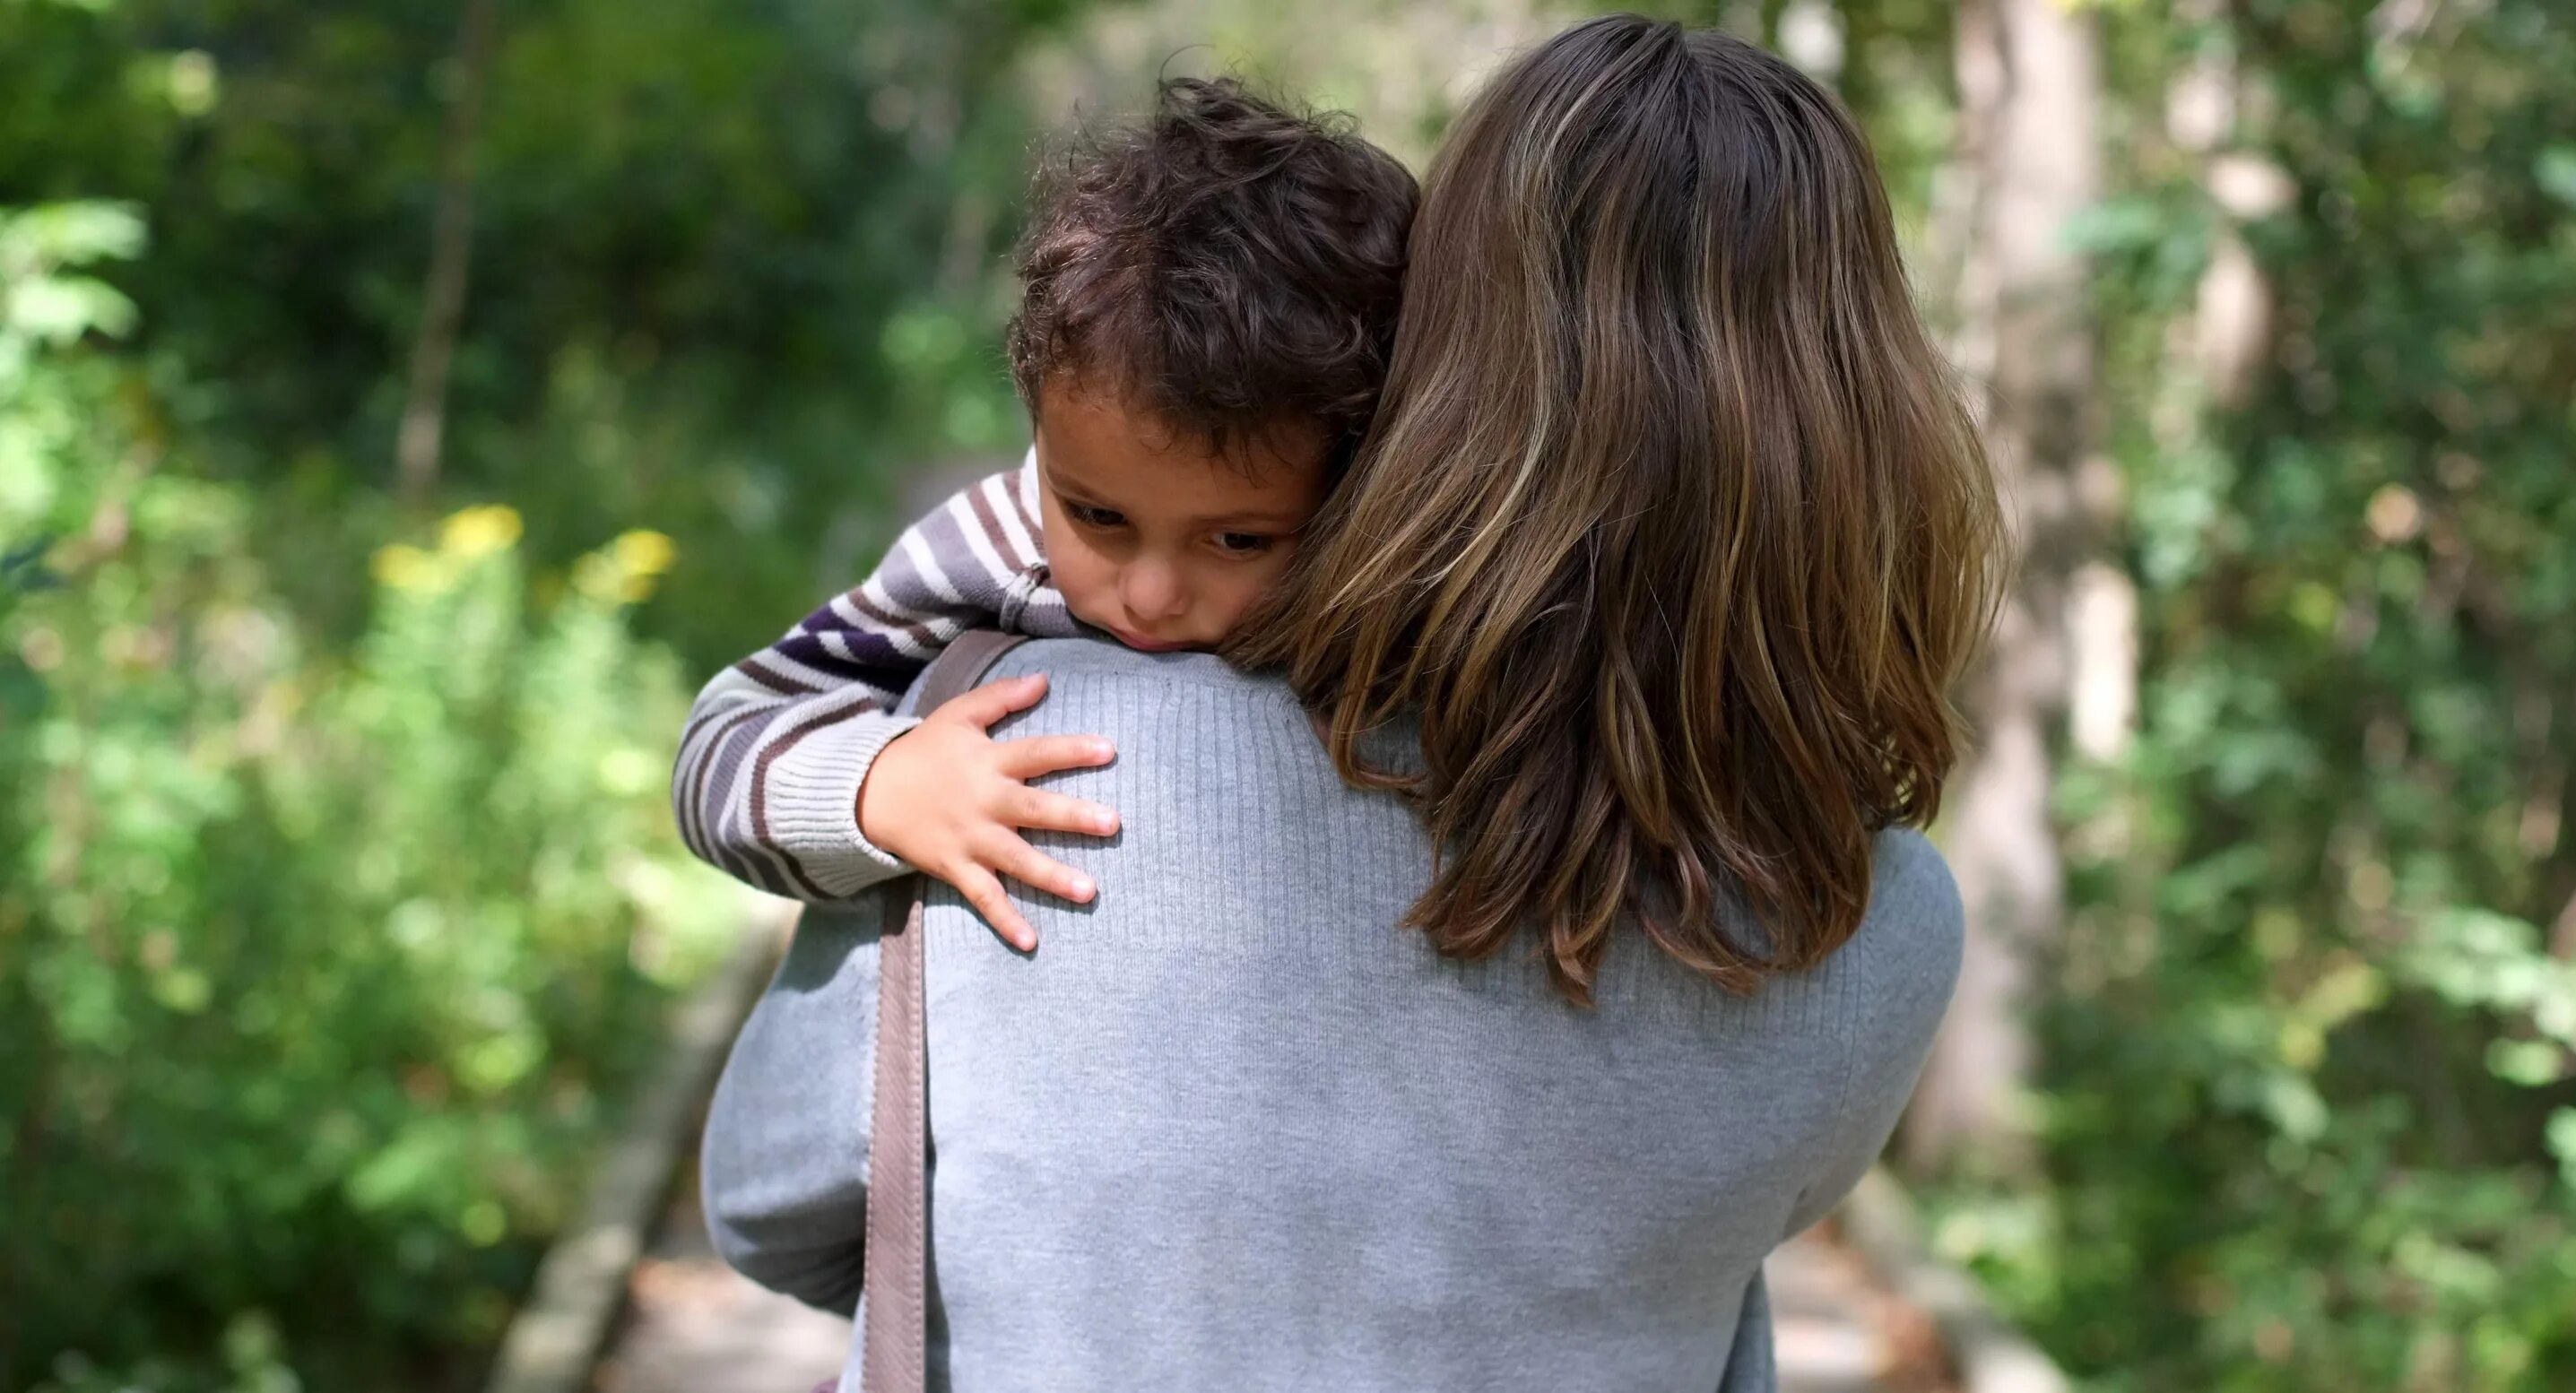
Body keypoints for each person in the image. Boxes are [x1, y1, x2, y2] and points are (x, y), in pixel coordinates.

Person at [700, 14, 2004, 1392]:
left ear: (1422, 364)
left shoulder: (1017, 752)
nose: (1153, 589)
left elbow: (772, 1203)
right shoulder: (1862, 913)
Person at [672, 75, 1418, 948]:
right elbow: (719, 745)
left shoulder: (1387, 571)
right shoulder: (995, 543)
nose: (1148, 592)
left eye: (1237, 539)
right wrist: (880, 788)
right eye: (1098, 518)